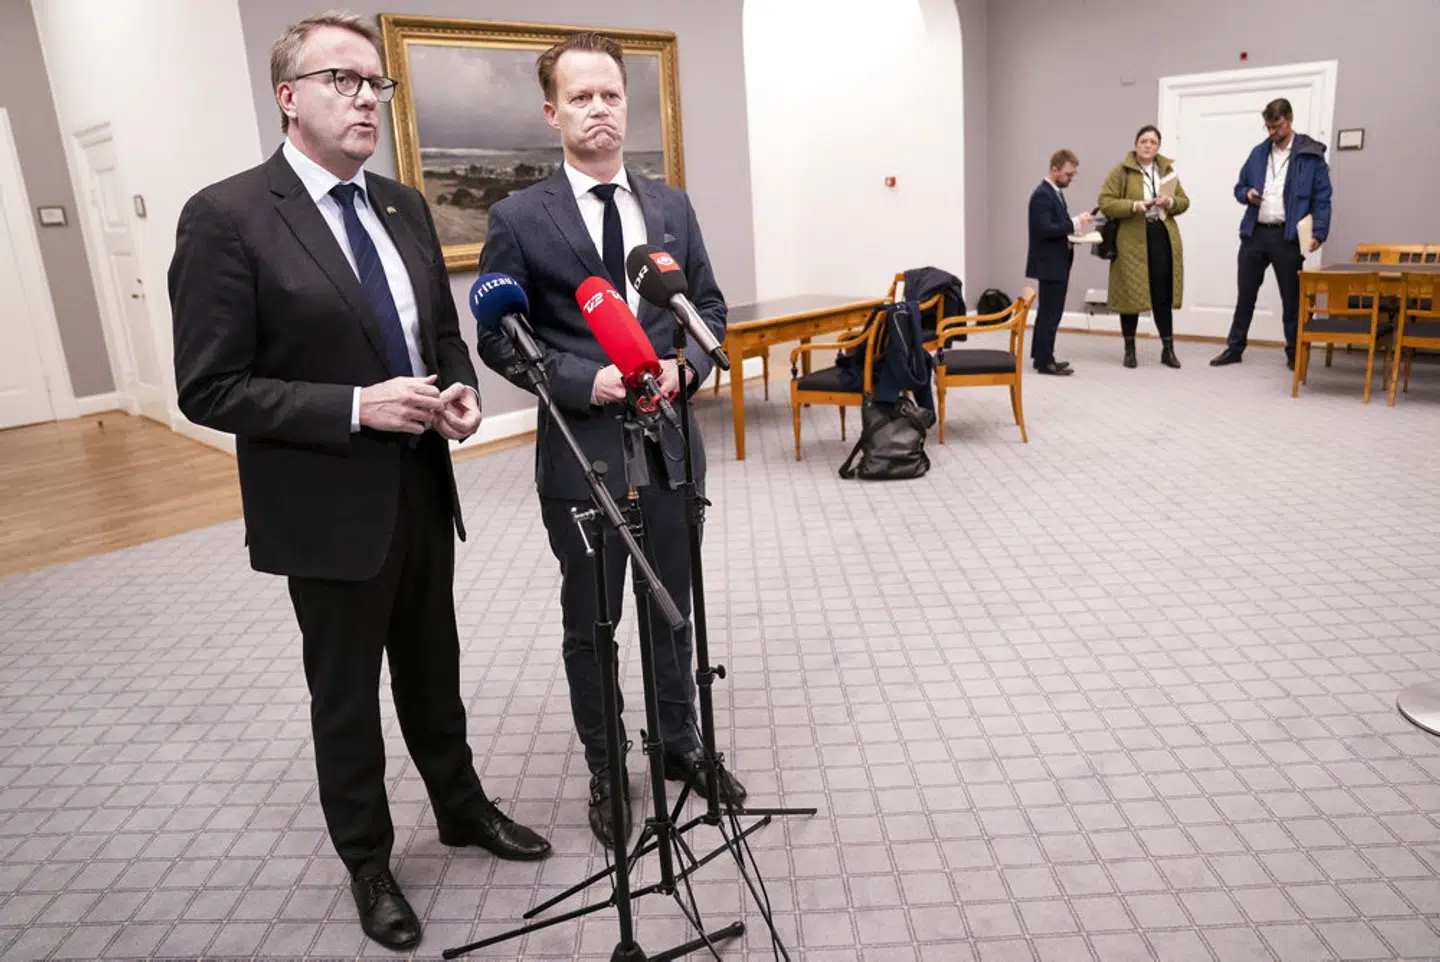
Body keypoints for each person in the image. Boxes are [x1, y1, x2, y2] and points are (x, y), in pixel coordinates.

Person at [168, 12, 550, 952]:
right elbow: (209, 387)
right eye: (342, 80)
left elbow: (439, 335)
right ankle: (368, 861)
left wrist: (457, 391)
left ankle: (460, 809)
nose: (366, 98)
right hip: (327, 504)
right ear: (288, 97)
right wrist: (353, 407)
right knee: (346, 694)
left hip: (420, 488)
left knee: (435, 669)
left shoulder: (404, 207)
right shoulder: (226, 216)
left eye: (376, 83)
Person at [475, 31, 744, 850]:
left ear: (630, 105)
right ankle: (606, 767)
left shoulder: (671, 207)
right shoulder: (519, 217)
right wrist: (570, 379)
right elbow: (498, 338)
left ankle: (678, 743)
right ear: (552, 112)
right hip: (582, 453)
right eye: (582, 97)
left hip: (668, 443)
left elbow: (710, 312)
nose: (600, 110)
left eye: (612, 95)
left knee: (672, 608)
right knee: (594, 622)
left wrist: (688, 371)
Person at [1211, 98, 1332, 370]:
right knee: (1246, 295)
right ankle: (1234, 348)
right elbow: (1239, 186)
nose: (1272, 132)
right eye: (1268, 127)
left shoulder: (1311, 155)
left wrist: (1320, 232)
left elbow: (1322, 197)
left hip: (1287, 237)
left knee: (1291, 299)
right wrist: (1247, 194)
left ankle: (1293, 352)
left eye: (1276, 126)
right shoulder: (1258, 153)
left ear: (1289, 120)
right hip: (1255, 233)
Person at [1097, 125, 1190, 369]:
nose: (1148, 146)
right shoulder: (1122, 171)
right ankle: (1130, 350)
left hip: (1161, 236)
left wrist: (1170, 201)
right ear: (1135, 144)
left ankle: (1167, 349)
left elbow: (1184, 202)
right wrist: (1135, 206)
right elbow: (1105, 202)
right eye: (1143, 141)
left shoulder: (1167, 171)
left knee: (1162, 293)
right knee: (1131, 294)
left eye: (1153, 142)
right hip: (1131, 239)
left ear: (1158, 146)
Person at [1026, 149, 1093, 375]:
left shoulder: (1054, 192)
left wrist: (1072, 232)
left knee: (1048, 311)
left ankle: (1042, 356)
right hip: (1049, 263)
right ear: (1054, 170)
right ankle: (1045, 362)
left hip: (1055, 261)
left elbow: (1056, 226)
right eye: (1067, 174)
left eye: (1073, 174)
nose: (1070, 179)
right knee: (1051, 313)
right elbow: (1043, 229)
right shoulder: (1042, 195)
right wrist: (1075, 223)